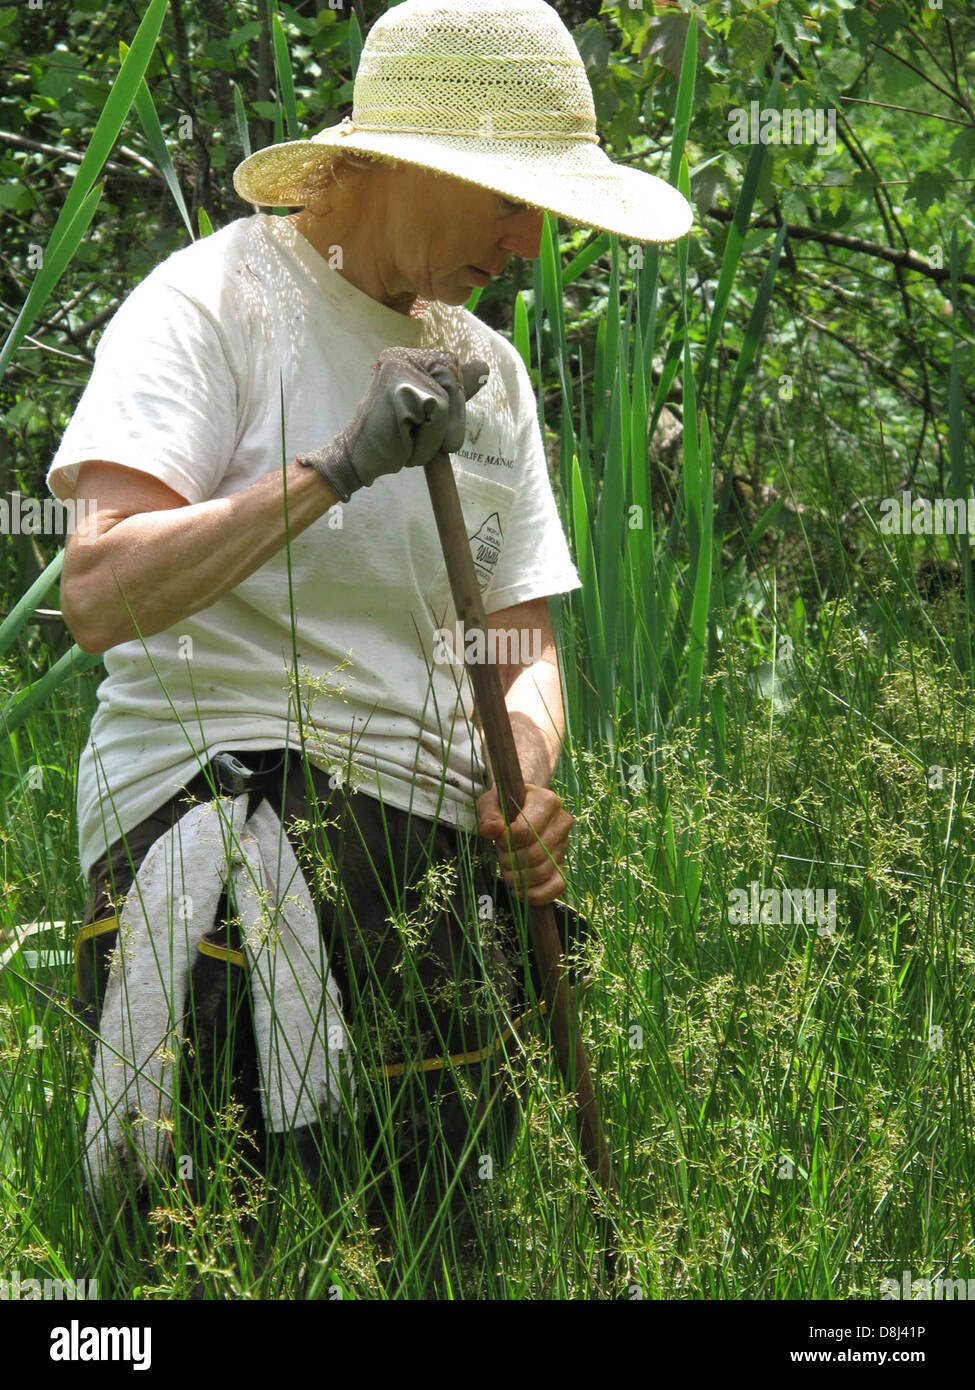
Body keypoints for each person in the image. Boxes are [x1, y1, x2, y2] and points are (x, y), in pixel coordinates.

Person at [47, 0, 692, 1296]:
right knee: (218, 1266)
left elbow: (519, 636)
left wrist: (524, 762)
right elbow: (100, 586)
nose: (531, 239)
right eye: (511, 200)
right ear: (405, 160)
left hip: (439, 847)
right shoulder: (212, 304)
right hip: (226, 812)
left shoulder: (487, 375)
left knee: (439, 1262)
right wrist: (335, 468)